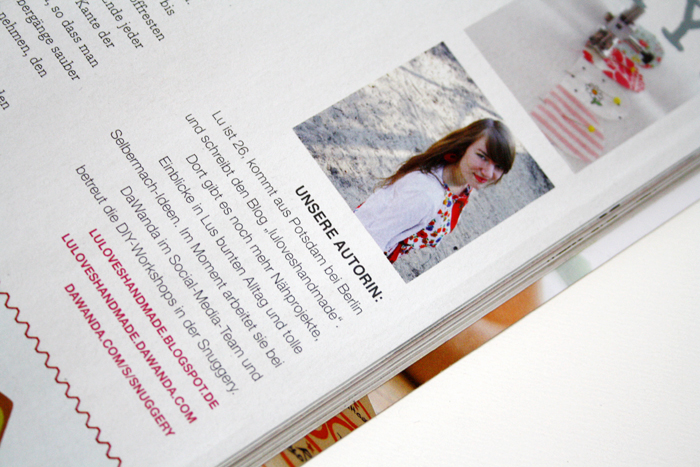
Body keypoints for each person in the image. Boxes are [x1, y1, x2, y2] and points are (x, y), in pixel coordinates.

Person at [355, 118, 516, 263]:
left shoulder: (465, 182)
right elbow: (369, 241)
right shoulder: (424, 196)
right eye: (482, 157)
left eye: (499, 166)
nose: (488, 173)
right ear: (463, 148)